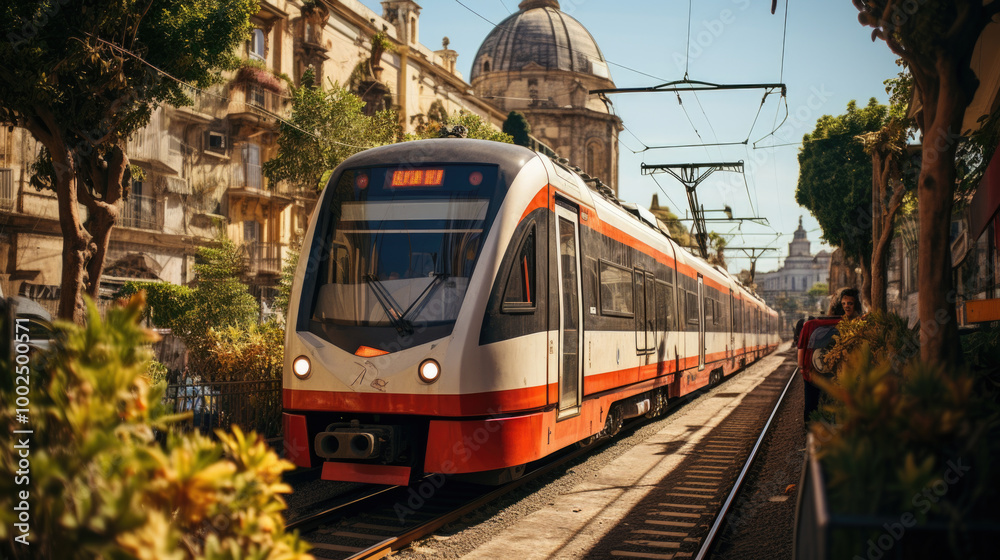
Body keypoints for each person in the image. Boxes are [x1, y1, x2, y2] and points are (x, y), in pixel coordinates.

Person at [797, 288, 862, 422]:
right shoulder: (854, 323)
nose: (847, 306)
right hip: (842, 372)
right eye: (845, 304)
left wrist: (802, 368)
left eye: (849, 304)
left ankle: (811, 426)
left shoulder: (811, 324)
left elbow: (801, 348)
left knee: (811, 402)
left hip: (814, 370)